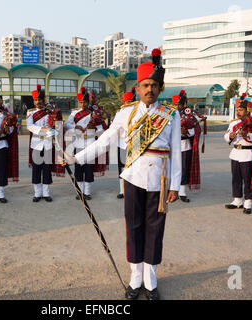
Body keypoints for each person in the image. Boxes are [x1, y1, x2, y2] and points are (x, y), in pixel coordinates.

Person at [64, 49, 181, 300]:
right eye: (145, 85)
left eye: (153, 85)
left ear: (160, 88)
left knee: (155, 228)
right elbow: (105, 141)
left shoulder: (171, 114)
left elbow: (177, 153)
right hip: (134, 178)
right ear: (137, 88)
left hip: (160, 181)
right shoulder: (126, 113)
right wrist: (77, 158)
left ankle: (151, 280)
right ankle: (135, 277)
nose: (149, 89)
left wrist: (175, 185)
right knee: (134, 226)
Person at [65, 87, 107, 200]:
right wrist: (76, 127)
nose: (83, 104)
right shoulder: (74, 113)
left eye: (84, 102)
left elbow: (101, 128)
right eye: (81, 102)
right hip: (78, 144)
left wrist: (93, 128)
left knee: (89, 169)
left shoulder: (94, 113)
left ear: (88, 102)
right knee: (78, 169)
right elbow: (67, 125)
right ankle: (80, 192)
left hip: (90, 144)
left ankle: (87, 192)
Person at [224, 94, 252, 214]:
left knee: (248, 179)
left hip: (248, 154)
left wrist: (247, 135)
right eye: (237, 110)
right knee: (236, 178)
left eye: (241, 110)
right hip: (235, 153)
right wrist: (230, 136)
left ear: (247, 110)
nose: (238, 112)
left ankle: (248, 202)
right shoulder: (233, 124)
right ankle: (237, 200)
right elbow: (225, 136)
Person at [172, 90, 207, 202]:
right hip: (171, 146)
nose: (177, 106)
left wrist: (186, 132)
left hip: (184, 145)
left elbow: (196, 129)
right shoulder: (168, 114)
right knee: (171, 168)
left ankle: (182, 192)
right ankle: (171, 189)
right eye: (175, 104)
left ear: (183, 105)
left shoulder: (189, 115)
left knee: (183, 169)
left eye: (179, 104)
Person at [26, 85, 56, 202]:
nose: (38, 102)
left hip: (48, 144)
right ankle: (37, 193)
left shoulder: (50, 112)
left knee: (47, 170)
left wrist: (50, 131)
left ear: (44, 100)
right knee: (36, 170)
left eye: (40, 100)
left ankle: (46, 193)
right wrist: (42, 130)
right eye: (36, 100)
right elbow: (30, 126)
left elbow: (56, 125)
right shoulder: (31, 113)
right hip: (36, 145)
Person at [117, 87, 138, 199]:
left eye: (131, 102)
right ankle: (122, 191)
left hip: (135, 144)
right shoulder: (120, 112)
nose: (129, 104)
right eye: (127, 102)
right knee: (122, 168)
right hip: (122, 144)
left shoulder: (139, 112)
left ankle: (133, 191)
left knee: (134, 168)